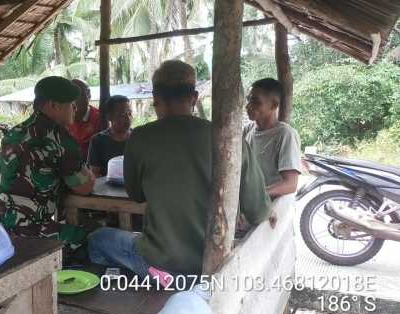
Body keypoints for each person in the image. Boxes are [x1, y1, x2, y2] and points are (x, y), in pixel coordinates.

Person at [88, 60, 271, 278]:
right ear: (194, 98)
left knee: (97, 239)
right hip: (213, 263)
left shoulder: (141, 137)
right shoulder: (230, 138)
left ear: (156, 100)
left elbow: (136, 195)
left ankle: (122, 288)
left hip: (159, 262)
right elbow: (258, 210)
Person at [0, 76, 96, 245]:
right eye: (70, 103)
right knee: (90, 238)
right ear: (53, 105)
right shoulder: (59, 138)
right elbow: (84, 187)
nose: (74, 107)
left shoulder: (15, 132)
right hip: (25, 233)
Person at [244, 78, 302, 198]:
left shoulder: (285, 134)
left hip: (272, 206)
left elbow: (290, 184)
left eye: (256, 102)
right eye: (248, 100)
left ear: (274, 105)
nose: (248, 106)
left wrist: (255, 196)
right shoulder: (248, 130)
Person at [87, 95, 133, 177]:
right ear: (110, 117)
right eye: (122, 115)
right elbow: (95, 172)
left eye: (129, 113)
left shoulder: (138, 137)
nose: (128, 118)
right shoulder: (98, 141)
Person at [68, 79, 100, 157]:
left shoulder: (99, 118)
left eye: (79, 95)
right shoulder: (64, 118)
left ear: (88, 94)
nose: (75, 101)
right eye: (71, 96)